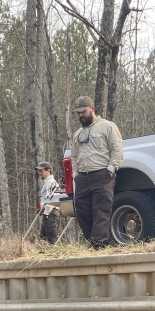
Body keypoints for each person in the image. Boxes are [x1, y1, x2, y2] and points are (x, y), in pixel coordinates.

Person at [71, 96, 123, 248]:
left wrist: (111, 169)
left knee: (101, 211)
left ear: (92, 109)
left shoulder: (107, 126)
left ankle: (99, 246)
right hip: (83, 178)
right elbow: (74, 157)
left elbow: (117, 149)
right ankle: (92, 243)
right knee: (82, 213)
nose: (81, 115)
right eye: (78, 113)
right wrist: (76, 175)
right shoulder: (77, 134)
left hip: (102, 175)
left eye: (83, 111)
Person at [36, 161, 59, 244]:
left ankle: (54, 252)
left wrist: (44, 208)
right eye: (39, 171)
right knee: (43, 237)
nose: (40, 173)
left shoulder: (51, 182)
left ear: (48, 171)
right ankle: (44, 252)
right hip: (47, 212)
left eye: (41, 171)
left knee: (51, 237)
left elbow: (51, 199)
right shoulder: (47, 183)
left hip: (50, 211)